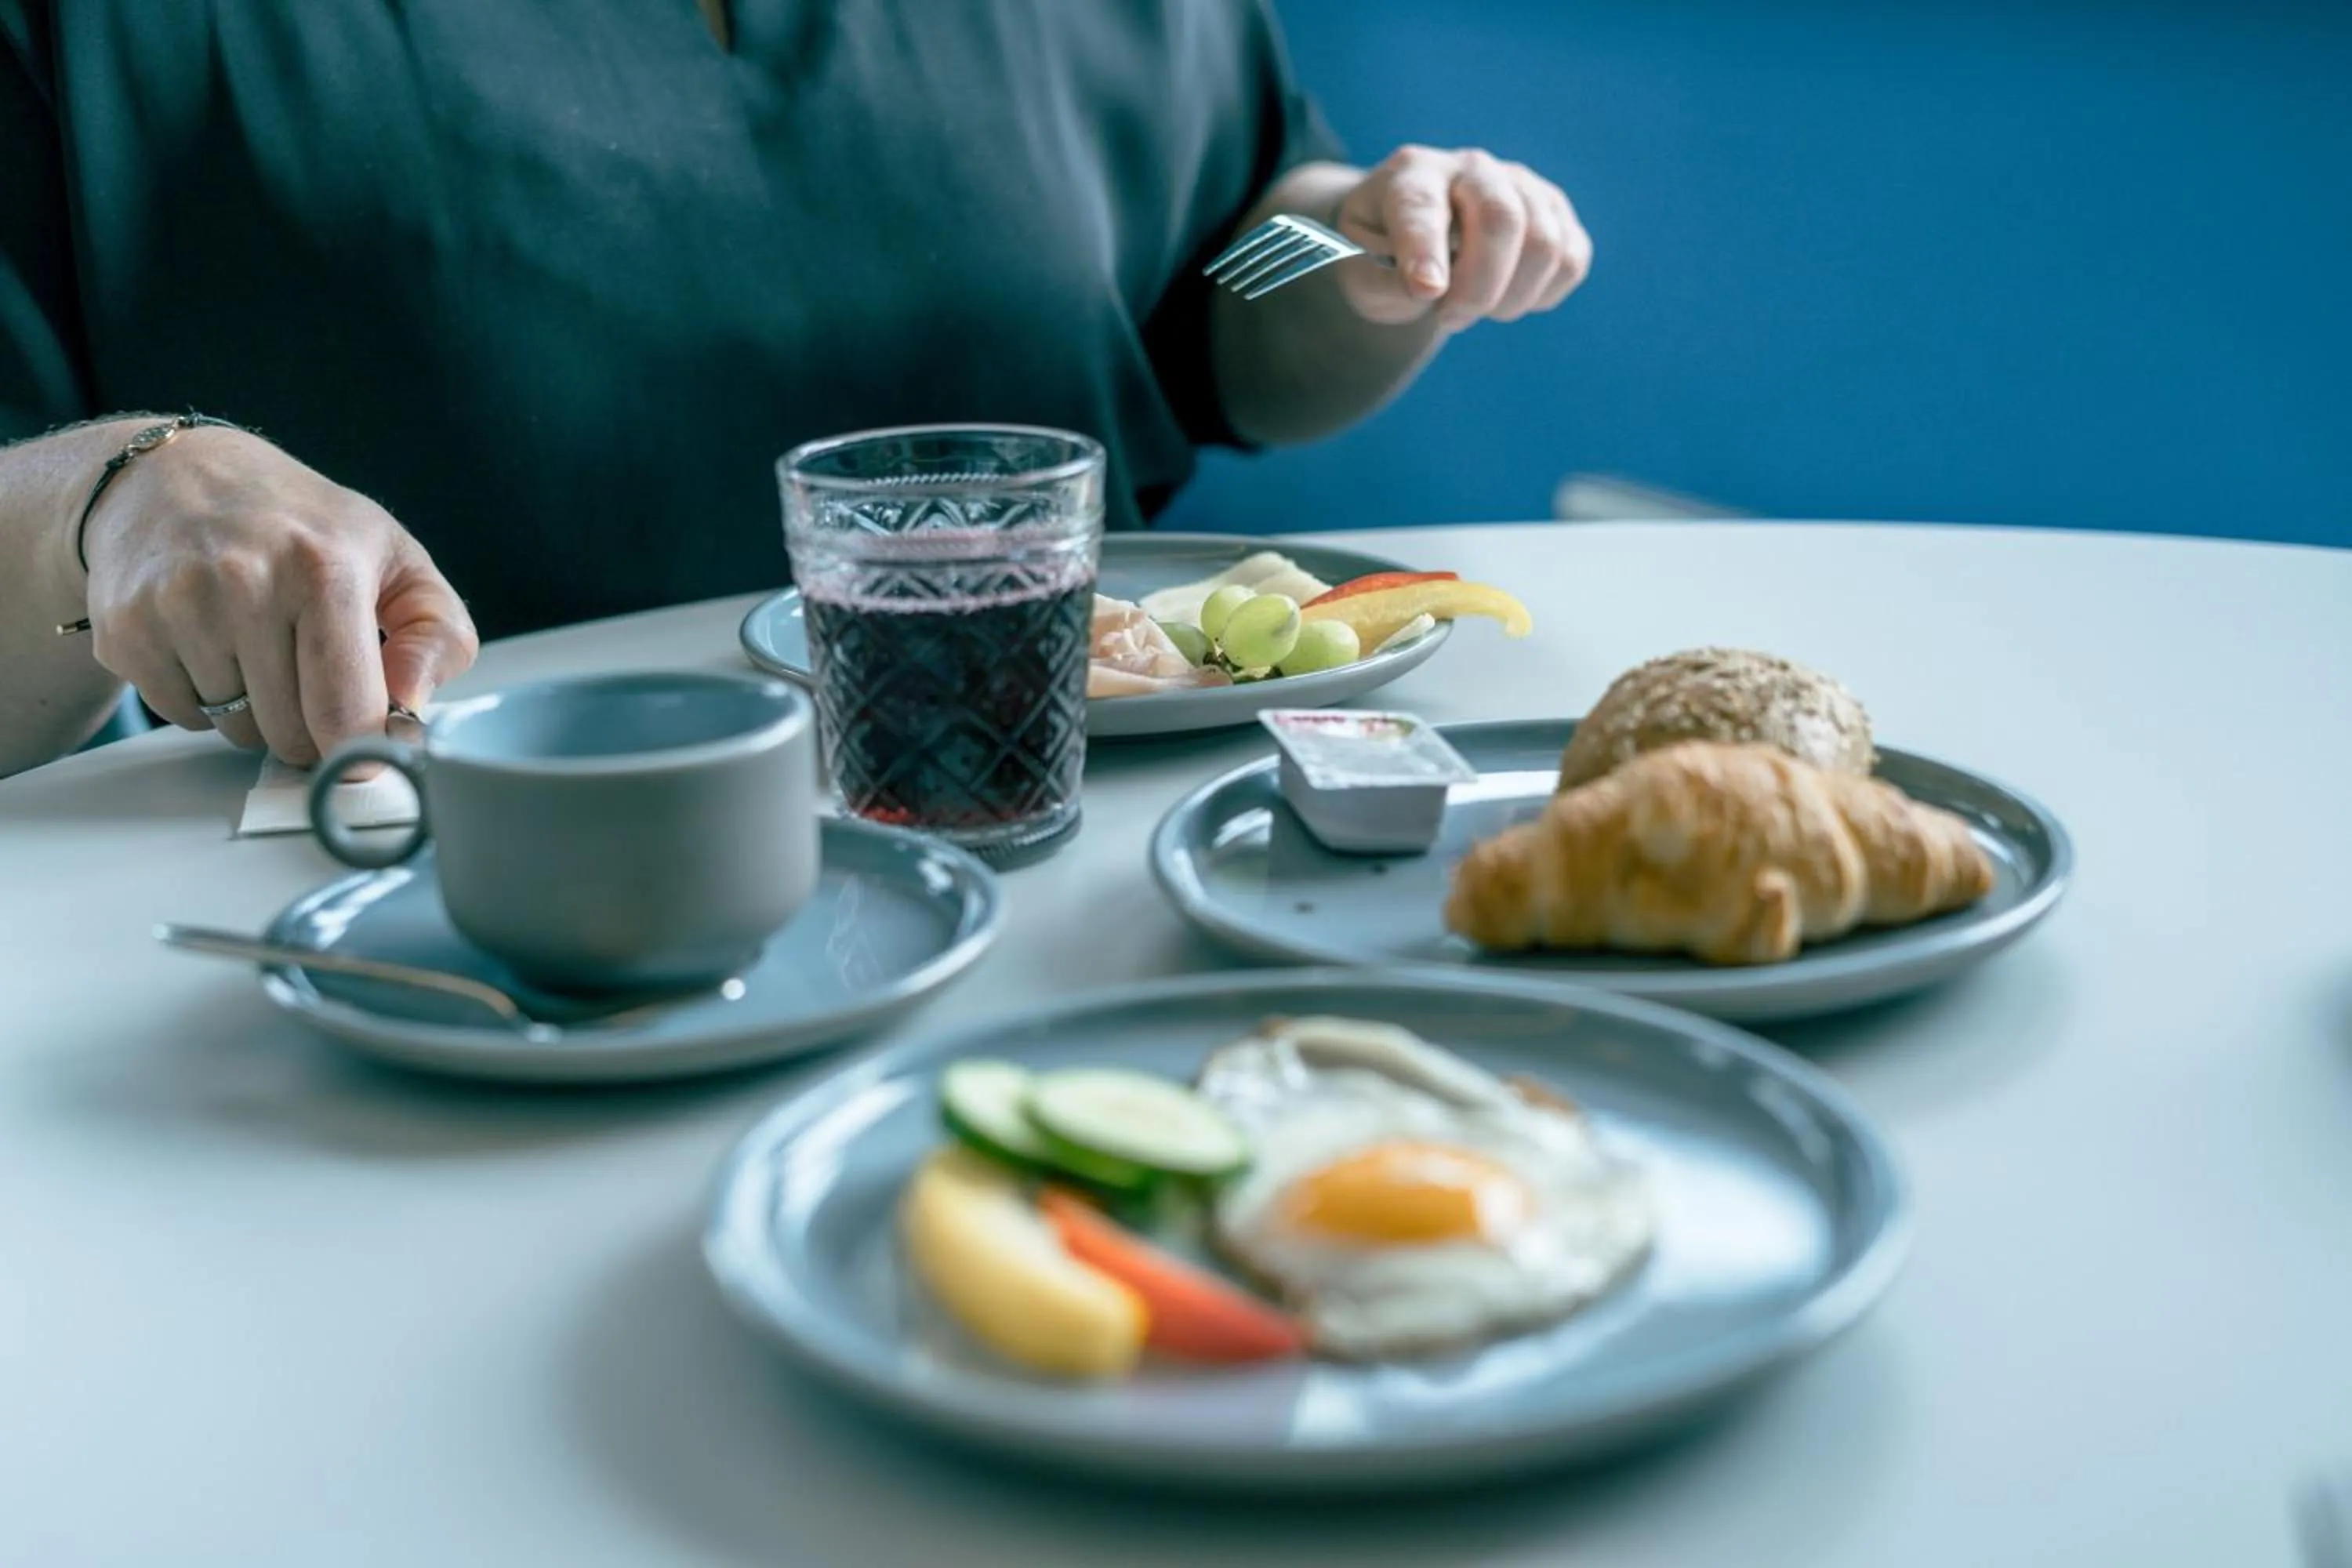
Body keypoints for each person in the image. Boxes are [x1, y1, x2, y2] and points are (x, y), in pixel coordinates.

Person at [0, 1, 1590, 778]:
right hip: (430, 879)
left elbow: (1208, 327)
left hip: (1058, 818)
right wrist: (114, 491)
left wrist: (1363, 249)